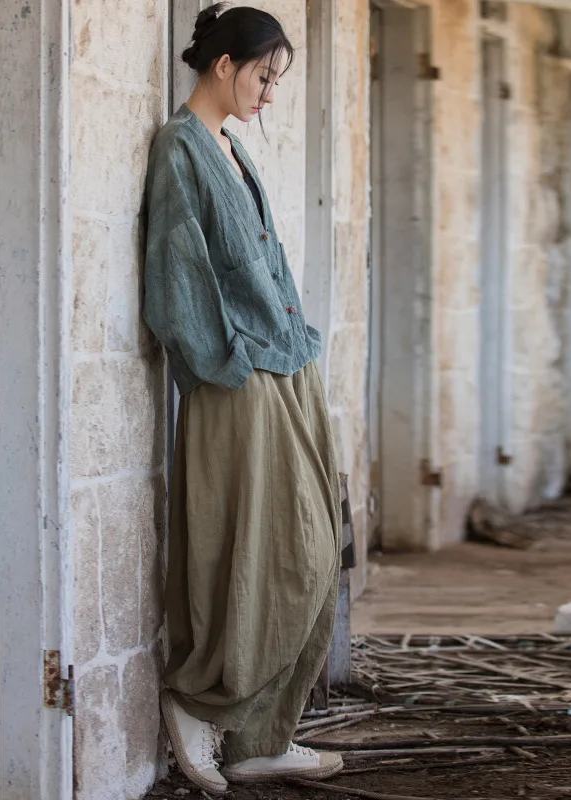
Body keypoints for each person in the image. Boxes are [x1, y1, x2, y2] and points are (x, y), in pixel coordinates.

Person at [143, 4, 343, 793]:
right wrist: (229, 365)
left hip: (286, 364)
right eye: (264, 74)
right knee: (271, 555)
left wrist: (287, 353)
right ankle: (198, 701)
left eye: (277, 79)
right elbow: (174, 279)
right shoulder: (179, 147)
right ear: (224, 65)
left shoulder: (229, 147)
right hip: (240, 376)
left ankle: (260, 736)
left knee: (314, 551)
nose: (268, 92)